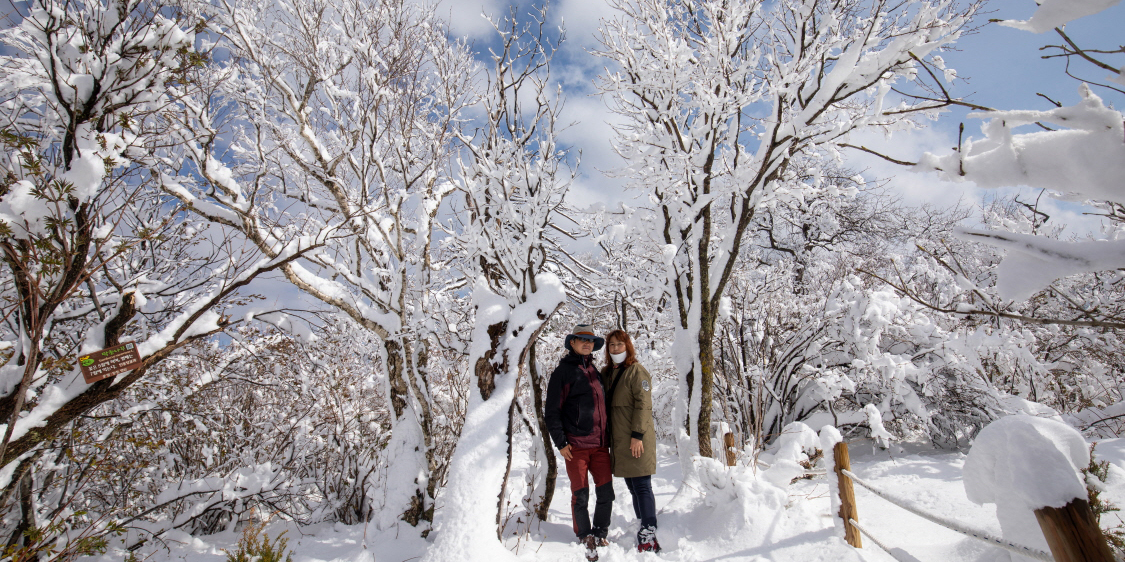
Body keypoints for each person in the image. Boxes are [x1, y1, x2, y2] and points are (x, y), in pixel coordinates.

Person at [545, 323, 614, 559]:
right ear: (572, 343)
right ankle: (584, 534)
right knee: (581, 494)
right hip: (576, 446)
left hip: (601, 445)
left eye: (591, 341)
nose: (587, 343)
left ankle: (600, 531)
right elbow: (552, 411)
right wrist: (561, 442)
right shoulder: (562, 373)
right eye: (581, 339)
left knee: (606, 492)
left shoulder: (595, 372)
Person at [602, 329, 661, 553]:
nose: (616, 348)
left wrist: (637, 436)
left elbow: (644, 406)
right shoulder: (608, 373)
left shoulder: (637, 372)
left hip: (637, 439)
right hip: (620, 442)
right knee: (632, 486)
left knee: (642, 485)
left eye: (620, 344)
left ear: (628, 347)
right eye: (612, 345)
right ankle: (641, 521)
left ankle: (649, 528)